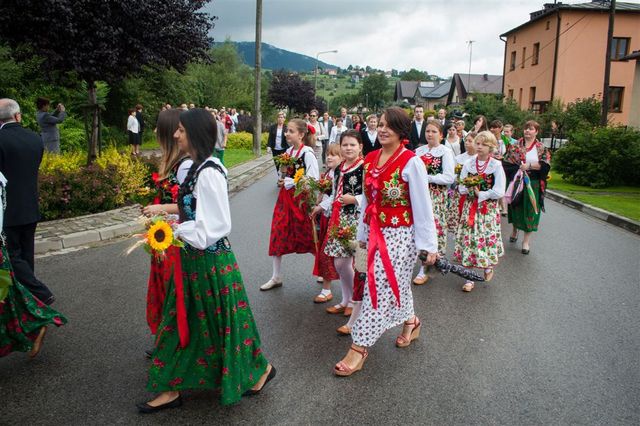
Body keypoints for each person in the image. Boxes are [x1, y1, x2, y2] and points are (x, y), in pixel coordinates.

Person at [138, 109, 275, 412]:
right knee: (185, 320)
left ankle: (259, 368)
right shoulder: (197, 167)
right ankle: (171, 387)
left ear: (196, 134)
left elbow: (215, 226)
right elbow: (194, 216)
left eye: (182, 131)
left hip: (210, 261)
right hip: (192, 258)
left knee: (223, 320)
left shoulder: (210, 171)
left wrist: (176, 230)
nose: (176, 135)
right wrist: (173, 224)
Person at [333, 107, 438, 377]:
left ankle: (359, 346)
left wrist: (429, 246)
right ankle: (412, 322)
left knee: (378, 286)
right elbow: (367, 200)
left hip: (401, 235)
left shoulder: (411, 161)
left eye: (389, 126)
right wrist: (360, 235)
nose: (382, 129)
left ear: (401, 131)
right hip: (373, 231)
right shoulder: (370, 158)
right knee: (394, 284)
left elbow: (422, 206)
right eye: (380, 124)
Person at [140, 109, 193, 355]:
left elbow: (190, 204)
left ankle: (175, 343)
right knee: (166, 288)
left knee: (173, 289)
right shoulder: (173, 162)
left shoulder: (185, 165)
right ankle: (168, 338)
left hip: (176, 235)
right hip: (166, 232)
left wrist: (159, 208)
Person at [0, 172, 67, 358]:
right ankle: (35, 320)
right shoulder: (33, 141)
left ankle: (36, 318)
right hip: (26, 210)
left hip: (11, 219)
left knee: (7, 299)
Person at [0, 98, 54, 304]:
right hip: (30, 205)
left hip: (7, 209)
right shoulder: (34, 138)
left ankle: (40, 293)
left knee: (12, 256)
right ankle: (29, 300)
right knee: (27, 254)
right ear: (17, 116)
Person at [261, 119, 320, 291]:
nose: (287, 133)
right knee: (278, 231)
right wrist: (283, 179)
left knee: (308, 234)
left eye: (291, 131)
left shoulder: (307, 153)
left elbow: (314, 179)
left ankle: (322, 270)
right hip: (285, 199)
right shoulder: (288, 152)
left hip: (301, 199)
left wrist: (292, 182)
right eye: (286, 130)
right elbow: (286, 174)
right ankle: (276, 275)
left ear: (301, 134)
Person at [313, 130, 364, 318]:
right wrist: (323, 207)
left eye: (352, 145)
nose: (348, 148)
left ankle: (355, 300)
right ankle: (345, 299)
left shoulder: (364, 167)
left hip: (356, 219)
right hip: (338, 217)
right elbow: (335, 193)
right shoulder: (339, 168)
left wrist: (355, 199)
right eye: (345, 145)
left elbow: (370, 195)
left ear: (360, 147)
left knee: (350, 262)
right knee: (339, 262)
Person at [454, 131, 505, 292]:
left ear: (491, 147)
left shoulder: (496, 165)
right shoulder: (469, 163)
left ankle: (487, 265)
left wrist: (481, 194)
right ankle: (470, 277)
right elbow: (461, 186)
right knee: (470, 240)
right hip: (470, 207)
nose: (480, 147)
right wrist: (469, 190)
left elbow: (499, 191)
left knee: (484, 238)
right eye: (478, 143)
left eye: (484, 144)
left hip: (487, 209)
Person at [413, 120, 455, 285]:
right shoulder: (418, 151)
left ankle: (427, 266)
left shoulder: (445, 152)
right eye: (428, 131)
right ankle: (422, 263)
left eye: (433, 132)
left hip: (436, 196)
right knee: (418, 228)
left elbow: (449, 177)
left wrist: (427, 177)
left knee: (433, 228)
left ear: (441, 135)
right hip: (419, 194)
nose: (430, 134)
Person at [504, 120, 551, 255]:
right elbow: (507, 161)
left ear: (536, 132)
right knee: (516, 206)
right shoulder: (514, 145)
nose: (527, 131)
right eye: (526, 129)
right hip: (517, 181)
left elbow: (545, 164)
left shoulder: (541, 147)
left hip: (533, 183)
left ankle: (526, 241)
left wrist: (529, 166)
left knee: (531, 210)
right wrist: (517, 167)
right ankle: (514, 229)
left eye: (531, 129)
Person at [311, 143, 341, 303]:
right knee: (324, 249)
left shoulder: (339, 174)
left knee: (327, 252)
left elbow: (335, 195)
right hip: (325, 217)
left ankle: (327, 290)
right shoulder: (329, 172)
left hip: (333, 217)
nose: (329, 157)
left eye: (333, 155)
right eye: (328, 154)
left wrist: (320, 206)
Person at [447, 132, 477, 233]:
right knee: (458, 217)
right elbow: (453, 173)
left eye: (470, 141)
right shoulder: (459, 158)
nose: (466, 143)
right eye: (466, 140)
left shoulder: (479, 158)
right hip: (459, 191)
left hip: (473, 192)